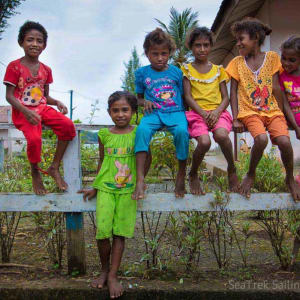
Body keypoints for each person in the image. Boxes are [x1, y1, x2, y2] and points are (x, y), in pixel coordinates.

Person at [226, 17, 300, 201]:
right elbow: (233, 92)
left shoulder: (273, 58)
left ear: (256, 38)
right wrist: (235, 118)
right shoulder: (236, 62)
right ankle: (251, 173)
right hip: (249, 111)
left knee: (284, 141)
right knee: (261, 139)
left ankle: (290, 178)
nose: (238, 43)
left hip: (273, 110)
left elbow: (276, 88)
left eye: (241, 39)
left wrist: (285, 115)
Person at [3, 21, 75, 195]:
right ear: (21, 42)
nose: (34, 44)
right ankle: (35, 171)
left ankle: (54, 167)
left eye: (39, 41)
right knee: (35, 140)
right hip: (23, 111)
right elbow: (9, 96)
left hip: (41, 109)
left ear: (44, 45)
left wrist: (57, 102)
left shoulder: (46, 69)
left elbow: (44, 96)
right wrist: (27, 112)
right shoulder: (14, 66)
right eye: (30, 40)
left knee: (68, 127)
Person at [79, 91, 138, 299]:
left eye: (125, 110)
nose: (120, 114)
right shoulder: (104, 135)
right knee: (102, 231)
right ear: (109, 112)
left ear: (133, 112)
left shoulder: (138, 132)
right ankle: (104, 270)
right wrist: (95, 186)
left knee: (119, 233)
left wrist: (141, 182)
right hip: (105, 188)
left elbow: (145, 158)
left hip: (127, 190)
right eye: (115, 110)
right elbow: (102, 162)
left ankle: (113, 275)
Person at [132, 28, 189, 199]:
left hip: (175, 112)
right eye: (154, 54)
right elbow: (138, 99)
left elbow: (184, 96)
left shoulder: (177, 72)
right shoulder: (142, 73)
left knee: (181, 132)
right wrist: (144, 102)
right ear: (147, 54)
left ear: (170, 53)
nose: (159, 58)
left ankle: (181, 174)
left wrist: (187, 117)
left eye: (164, 53)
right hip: (153, 113)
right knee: (141, 131)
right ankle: (140, 179)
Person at [182, 27, 239, 195]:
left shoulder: (218, 70)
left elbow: (226, 98)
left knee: (222, 135)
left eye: (206, 45)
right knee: (205, 142)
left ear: (211, 46)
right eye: (197, 45)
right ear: (191, 47)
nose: (202, 49)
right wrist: (203, 113)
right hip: (197, 113)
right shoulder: (187, 70)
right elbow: (188, 97)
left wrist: (215, 113)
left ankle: (232, 168)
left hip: (218, 112)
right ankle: (193, 173)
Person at [280, 36, 300, 185]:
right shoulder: (281, 77)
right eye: (284, 58)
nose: (286, 63)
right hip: (292, 117)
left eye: (292, 60)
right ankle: (293, 177)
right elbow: (285, 104)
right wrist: (296, 126)